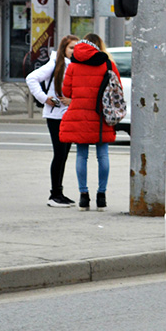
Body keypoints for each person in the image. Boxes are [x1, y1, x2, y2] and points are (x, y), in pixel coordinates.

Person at [59, 33, 122, 211]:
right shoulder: (108, 64)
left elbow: (67, 92)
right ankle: (101, 197)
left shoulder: (73, 66)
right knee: (103, 155)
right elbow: (118, 90)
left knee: (81, 155)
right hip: (102, 116)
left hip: (80, 116)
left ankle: (83, 197)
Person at [26, 35, 81, 207]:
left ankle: (59, 193)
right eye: (71, 47)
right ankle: (54, 195)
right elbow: (31, 78)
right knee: (59, 154)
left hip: (71, 115)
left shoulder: (77, 65)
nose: (74, 51)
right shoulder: (55, 64)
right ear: (64, 48)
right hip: (55, 116)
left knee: (63, 155)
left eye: (76, 48)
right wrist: (44, 98)